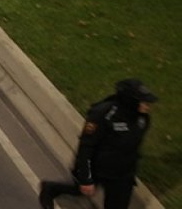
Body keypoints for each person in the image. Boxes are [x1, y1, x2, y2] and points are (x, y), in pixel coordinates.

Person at [39, 79, 158, 209]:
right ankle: (50, 189)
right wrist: (86, 179)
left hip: (122, 175)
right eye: (144, 102)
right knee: (80, 189)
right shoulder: (102, 114)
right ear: (131, 101)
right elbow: (86, 146)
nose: (148, 106)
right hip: (98, 167)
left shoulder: (143, 119)